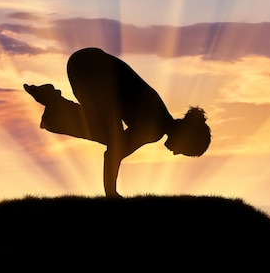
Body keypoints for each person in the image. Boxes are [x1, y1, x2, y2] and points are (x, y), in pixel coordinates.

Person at [23, 47, 211, 198]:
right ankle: (53, 103)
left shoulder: (159, 119)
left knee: (106, 132)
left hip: (85, 61)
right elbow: (114, 153)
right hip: (89, 67)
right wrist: (111, 193)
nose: (176, 152)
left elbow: (115, 151)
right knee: (108, 134)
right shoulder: (154, 128)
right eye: (184, 150)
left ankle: (53, 101)